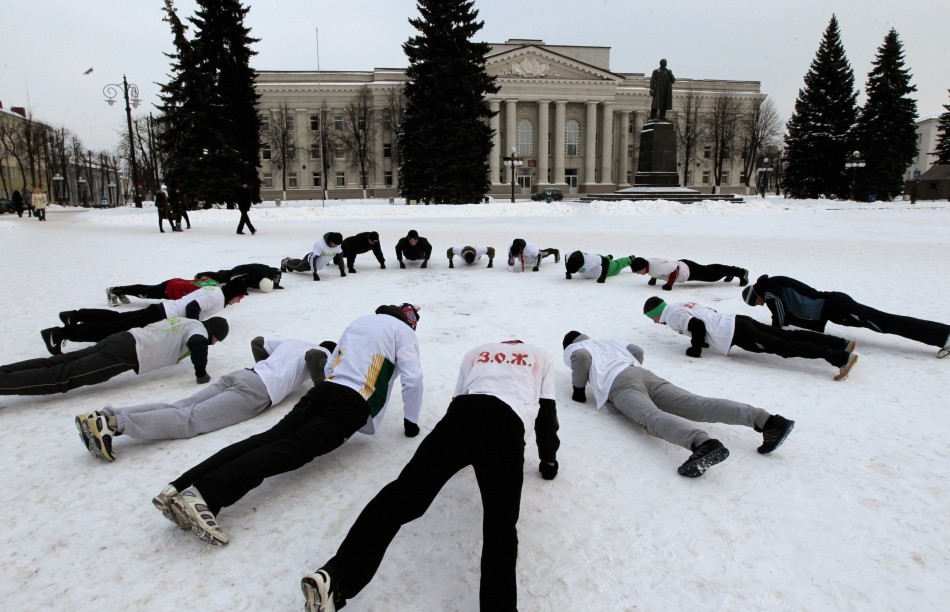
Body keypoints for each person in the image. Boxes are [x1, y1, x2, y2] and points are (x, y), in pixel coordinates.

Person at [301, 338, 560, 612]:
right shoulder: (541, 355)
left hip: (461, 417)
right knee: (500, 524)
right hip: (505, 425)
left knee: (403, 494)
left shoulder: (475, 351)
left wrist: (454, 451)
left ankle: (338, 576)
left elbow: (457, 399)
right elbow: (547, 414)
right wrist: (549, 459)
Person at [152, 304, 423, 546]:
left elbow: (331, 361)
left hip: (324, 390)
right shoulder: (404, 333)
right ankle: (205, 495)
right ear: (410, 322)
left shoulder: (360, 321)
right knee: (290, 450)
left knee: (268, 438)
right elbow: (413, 379)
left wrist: (330, 386)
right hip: (352, 402)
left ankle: (179, 487)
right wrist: (411, 422)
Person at [562, 331, 794, 477]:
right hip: (644, 374)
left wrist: (579, 391)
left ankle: (702, 444)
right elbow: (636, 350)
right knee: (697, 404)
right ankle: (767, 421)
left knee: (651, 418)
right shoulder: (608, 340)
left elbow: (581, 359)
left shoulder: (575, 348)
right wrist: (632, 367)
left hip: (619, 385)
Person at [75, 336, 337, 462]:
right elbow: (315, 359)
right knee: (191, 419)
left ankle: (105, 416)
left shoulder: (294, 341)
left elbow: (258, 342)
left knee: (180, 406)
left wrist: (268, 368)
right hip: (256, 391)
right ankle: (113, 426)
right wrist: (322, 390)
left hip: (243, 375)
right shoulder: (322, 351)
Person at [0, 317, 228, 396]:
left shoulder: (187, 322)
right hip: (127, 352)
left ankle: (5, 372)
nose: (214, 344)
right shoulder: (199, 330)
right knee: (64, 376)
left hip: (122, 338)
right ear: (214, 334)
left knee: (59, 362)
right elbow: (198, 343)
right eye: (217, 340)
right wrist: (201, 373)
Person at [643, 297, 859, 381]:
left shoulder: (671, 316)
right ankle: (840, 343)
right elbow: (706, 312)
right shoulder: (680, 304)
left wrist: (696, 348)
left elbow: (697, 326)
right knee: (786, 335)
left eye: (651, 318)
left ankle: (840, 359)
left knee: (784, 346)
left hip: (735, 333)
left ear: (656, 312)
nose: (653, 322)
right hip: (737, 321)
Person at [743, 275, 950, 358]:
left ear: (757, 295)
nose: (761, 304)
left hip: (837, 306)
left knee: (885, 322)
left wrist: (775, 331)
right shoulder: (773, 287)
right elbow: (785, 310)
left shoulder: (770, 289)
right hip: (836, 309)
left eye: (757, 302)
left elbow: (778, 309)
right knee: (885, 323)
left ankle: (944, 336)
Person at [43, 281, 248, 355]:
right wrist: (196, 326)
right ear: (234, 293)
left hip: (160, 310)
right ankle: (59, 334)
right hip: (160, 316)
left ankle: (74, 317)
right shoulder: (216, 295)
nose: (238, 302)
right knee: (111, 331)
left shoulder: (215, 290)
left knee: (116, 320)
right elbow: (193, 306)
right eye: (240, 298)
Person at [630, 256, 749, 290]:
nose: (637, 273)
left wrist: (669, 284)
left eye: (637, 271)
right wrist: (653, 279)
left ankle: (740, 272)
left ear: (644, 267)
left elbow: (674, 268)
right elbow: (658, 271)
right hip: (685, 266)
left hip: (687, 270)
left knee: (712, 275)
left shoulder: (654, 267)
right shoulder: (650, 266)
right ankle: (729, 272)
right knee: (710, 270)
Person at [106, 276, 220, 307]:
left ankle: (120, 291)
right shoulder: (209, 291)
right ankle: (114, 290)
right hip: (170, 288)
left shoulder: (215, 285)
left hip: (173, 283)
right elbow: (181, 289)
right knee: (145, 293)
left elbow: (204, 277)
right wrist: (179, 300)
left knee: (146, 289)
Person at [195, 263, 282, 291]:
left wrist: (275, 284)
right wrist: (242, 289)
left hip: (253, 268)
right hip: (238, 270)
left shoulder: (270, 273)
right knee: (221, 277)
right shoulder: (250, 276)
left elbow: (278, 271)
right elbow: (234, 278)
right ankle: (199, 275)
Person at [564, 251, 635, 283]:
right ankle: (608, 257)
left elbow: (605, 261)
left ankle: (630, 259)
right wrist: (568, 272)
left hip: (601, 267)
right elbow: (566, 257)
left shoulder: (590, 260)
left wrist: (603, 276)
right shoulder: (569, 256)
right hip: (597, 259)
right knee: (600, 259)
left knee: (617, 265)